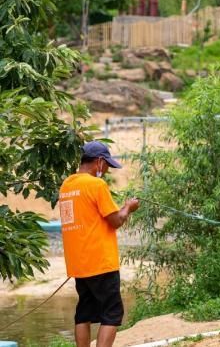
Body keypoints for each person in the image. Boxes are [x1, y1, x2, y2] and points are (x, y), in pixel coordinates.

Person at [59, 141, 140, 347]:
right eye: (107, 166)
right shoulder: (97, 185)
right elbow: (116, 220)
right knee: (112, 313)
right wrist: (128, 207)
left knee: (84, 312)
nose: (107, 170)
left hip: (79, 263)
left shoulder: (67, 185)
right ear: (99, 162)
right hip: (100, 261)